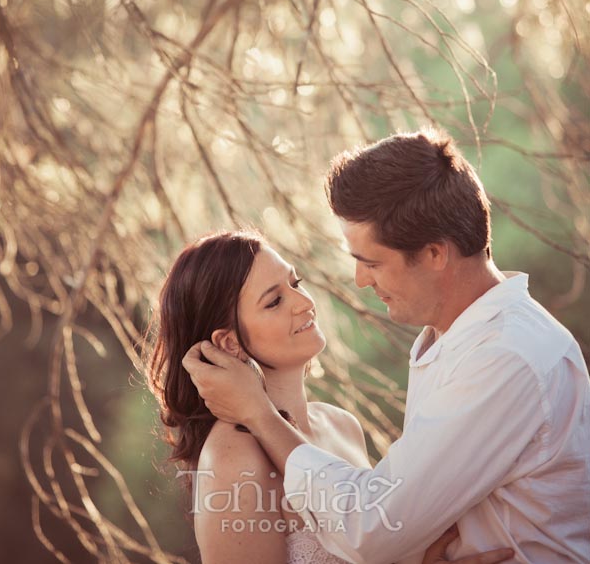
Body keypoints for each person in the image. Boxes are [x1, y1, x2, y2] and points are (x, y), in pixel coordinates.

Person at [183, 128, 590, 564]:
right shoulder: (455, 340)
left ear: (435, 254)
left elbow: (372, 528)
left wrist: (259, 415)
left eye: (372, 262)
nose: (360, 281)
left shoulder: (504, 356)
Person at [146, 229, 514, 564]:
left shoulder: (341, 425)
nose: (304, 302)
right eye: (274, 301)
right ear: (229, 343)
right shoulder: (232, 454)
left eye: (296, 282)